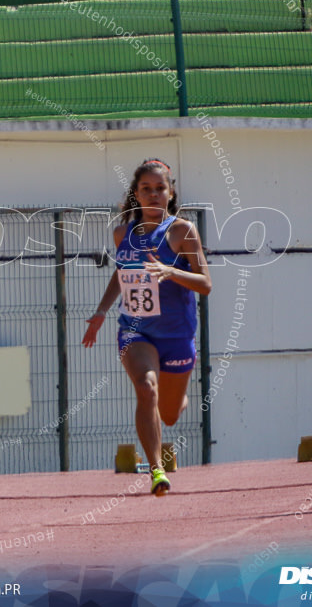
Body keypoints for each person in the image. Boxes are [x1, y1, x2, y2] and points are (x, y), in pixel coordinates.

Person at [82, 159, 211, 496]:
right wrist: (100, 312)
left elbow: (205, 283)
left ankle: (179, 400)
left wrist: (172, 273)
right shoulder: (122, 233)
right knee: (146, 386)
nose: (153, 194)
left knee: (168, 414)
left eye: (159, 189)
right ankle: (156, 470)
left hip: (177, 335)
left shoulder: (183, 231)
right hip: (136, 330)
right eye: (146, 189)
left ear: (170, 193)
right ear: (136, 194)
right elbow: (121, 273)